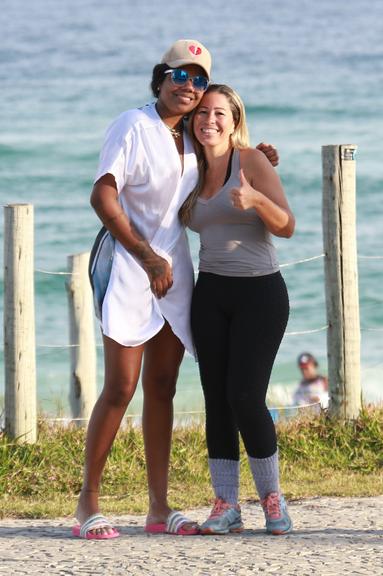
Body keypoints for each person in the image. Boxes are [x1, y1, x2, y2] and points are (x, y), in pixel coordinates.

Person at [73, 40, 278, 539]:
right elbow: (103, 193)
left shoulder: (190, 132)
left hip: (177, 274)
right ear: (160, 77)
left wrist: (258, 158)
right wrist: (145, 256)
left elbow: (221, 165)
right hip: (131, 265)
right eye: (179, 76)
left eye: (199, 79)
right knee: (121, 387)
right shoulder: (132, 125)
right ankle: (87, 504)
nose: (189, 86)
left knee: (162, 387)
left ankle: (159, 509)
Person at [179, 84, 295, 536]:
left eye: (219, 113)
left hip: (260, 294)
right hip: (210, 294)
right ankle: (226, 504)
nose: (209, 119)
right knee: (217, 401)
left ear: (235, 119)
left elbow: (287, 226)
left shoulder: (251, 162)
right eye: (202, 112)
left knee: (245, 396)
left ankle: (272, 498)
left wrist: (257, 201)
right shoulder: (188, 167)